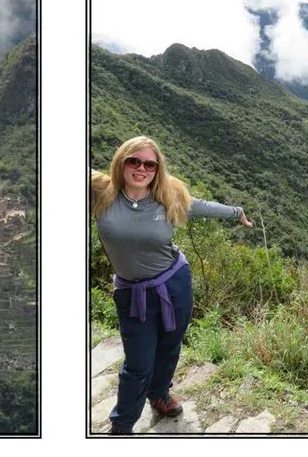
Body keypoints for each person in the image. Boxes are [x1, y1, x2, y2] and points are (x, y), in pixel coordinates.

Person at [91, 136, 252, 435]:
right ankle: (122, 426)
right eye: (134, 161)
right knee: (138, 364)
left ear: (157, 169)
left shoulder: (168, 195)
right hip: (131, 292)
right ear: (121, 162)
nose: (141, 168)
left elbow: (200, 206)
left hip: (173, 283)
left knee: (169, 346)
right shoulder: (100, 192)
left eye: (149, 164)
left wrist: (236, 212)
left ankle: (160, 395)